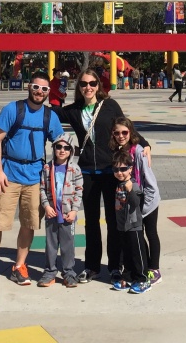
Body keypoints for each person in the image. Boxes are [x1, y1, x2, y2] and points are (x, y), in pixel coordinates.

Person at [0, 72, 65, 286]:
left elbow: (61, 143)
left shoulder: (50, 116)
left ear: (48, 92)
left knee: (29, 223)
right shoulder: (12, 109)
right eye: (36, 87)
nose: (39, 92)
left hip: (35, 178)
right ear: (28, 87)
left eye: (44, 89)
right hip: (9, 175)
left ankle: (19, 266)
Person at [58, 69, 130, 285]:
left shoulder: (110, 105)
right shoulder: (74, 110)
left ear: (98, 85)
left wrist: (143, 144)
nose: (88, 87)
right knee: (91, 221)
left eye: (92, 83)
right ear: (78, 87)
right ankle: (92, 267)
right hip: (87, 171)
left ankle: (115, 266)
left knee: (113, 220)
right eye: (83, 84)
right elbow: (51, 114)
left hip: (111, 170)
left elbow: (125, 128)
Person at [109, 116, 161, 285]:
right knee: (136, 235)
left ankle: (154, 269)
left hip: (147, 200)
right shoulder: (117, 151)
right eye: (117, 133)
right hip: (131, 201)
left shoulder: (139, 152)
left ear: (131, 132)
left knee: (150, 233)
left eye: (124, 132)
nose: (121, 136)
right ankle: (142, 267)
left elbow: (150, 183)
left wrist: (144, 207)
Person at [37, 134, 83, 288]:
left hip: (68, 214)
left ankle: (69, 273)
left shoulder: (75, 169)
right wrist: (46, 206)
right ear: (54, 148)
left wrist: (74, 210)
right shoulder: (47, 168)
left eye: (66, 148)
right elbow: (42, 189)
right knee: (50, 244)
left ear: (71, 151)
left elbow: (79, 191)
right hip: (52, 213)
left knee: (67, 245)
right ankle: (49, 272)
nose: (62, 150)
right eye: (59, 147)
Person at [111, 150, 151, 294]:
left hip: (134, 225)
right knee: (126, 253)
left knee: (137, 253)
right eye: (116, 169)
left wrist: (130, 191)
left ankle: (143, 279)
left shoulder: (132, 185)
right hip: (122, 226)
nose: (119, 172)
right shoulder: (118, 184)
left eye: (123, 169)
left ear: (130, 169)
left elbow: (136, 203)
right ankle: (128, 277)